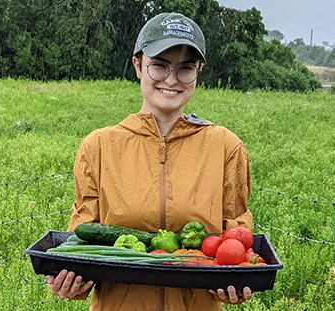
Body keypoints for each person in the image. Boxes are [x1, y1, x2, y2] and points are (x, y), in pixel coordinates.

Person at [47, 12, 253, 311]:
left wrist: (236, 281)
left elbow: (236, 241)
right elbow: (82, 238)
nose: (171, 79)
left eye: (185, 68)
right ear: (137, 65)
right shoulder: (98, 146)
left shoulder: (226, 147)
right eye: (159, 65)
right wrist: (70, 283)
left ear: (199, 71)